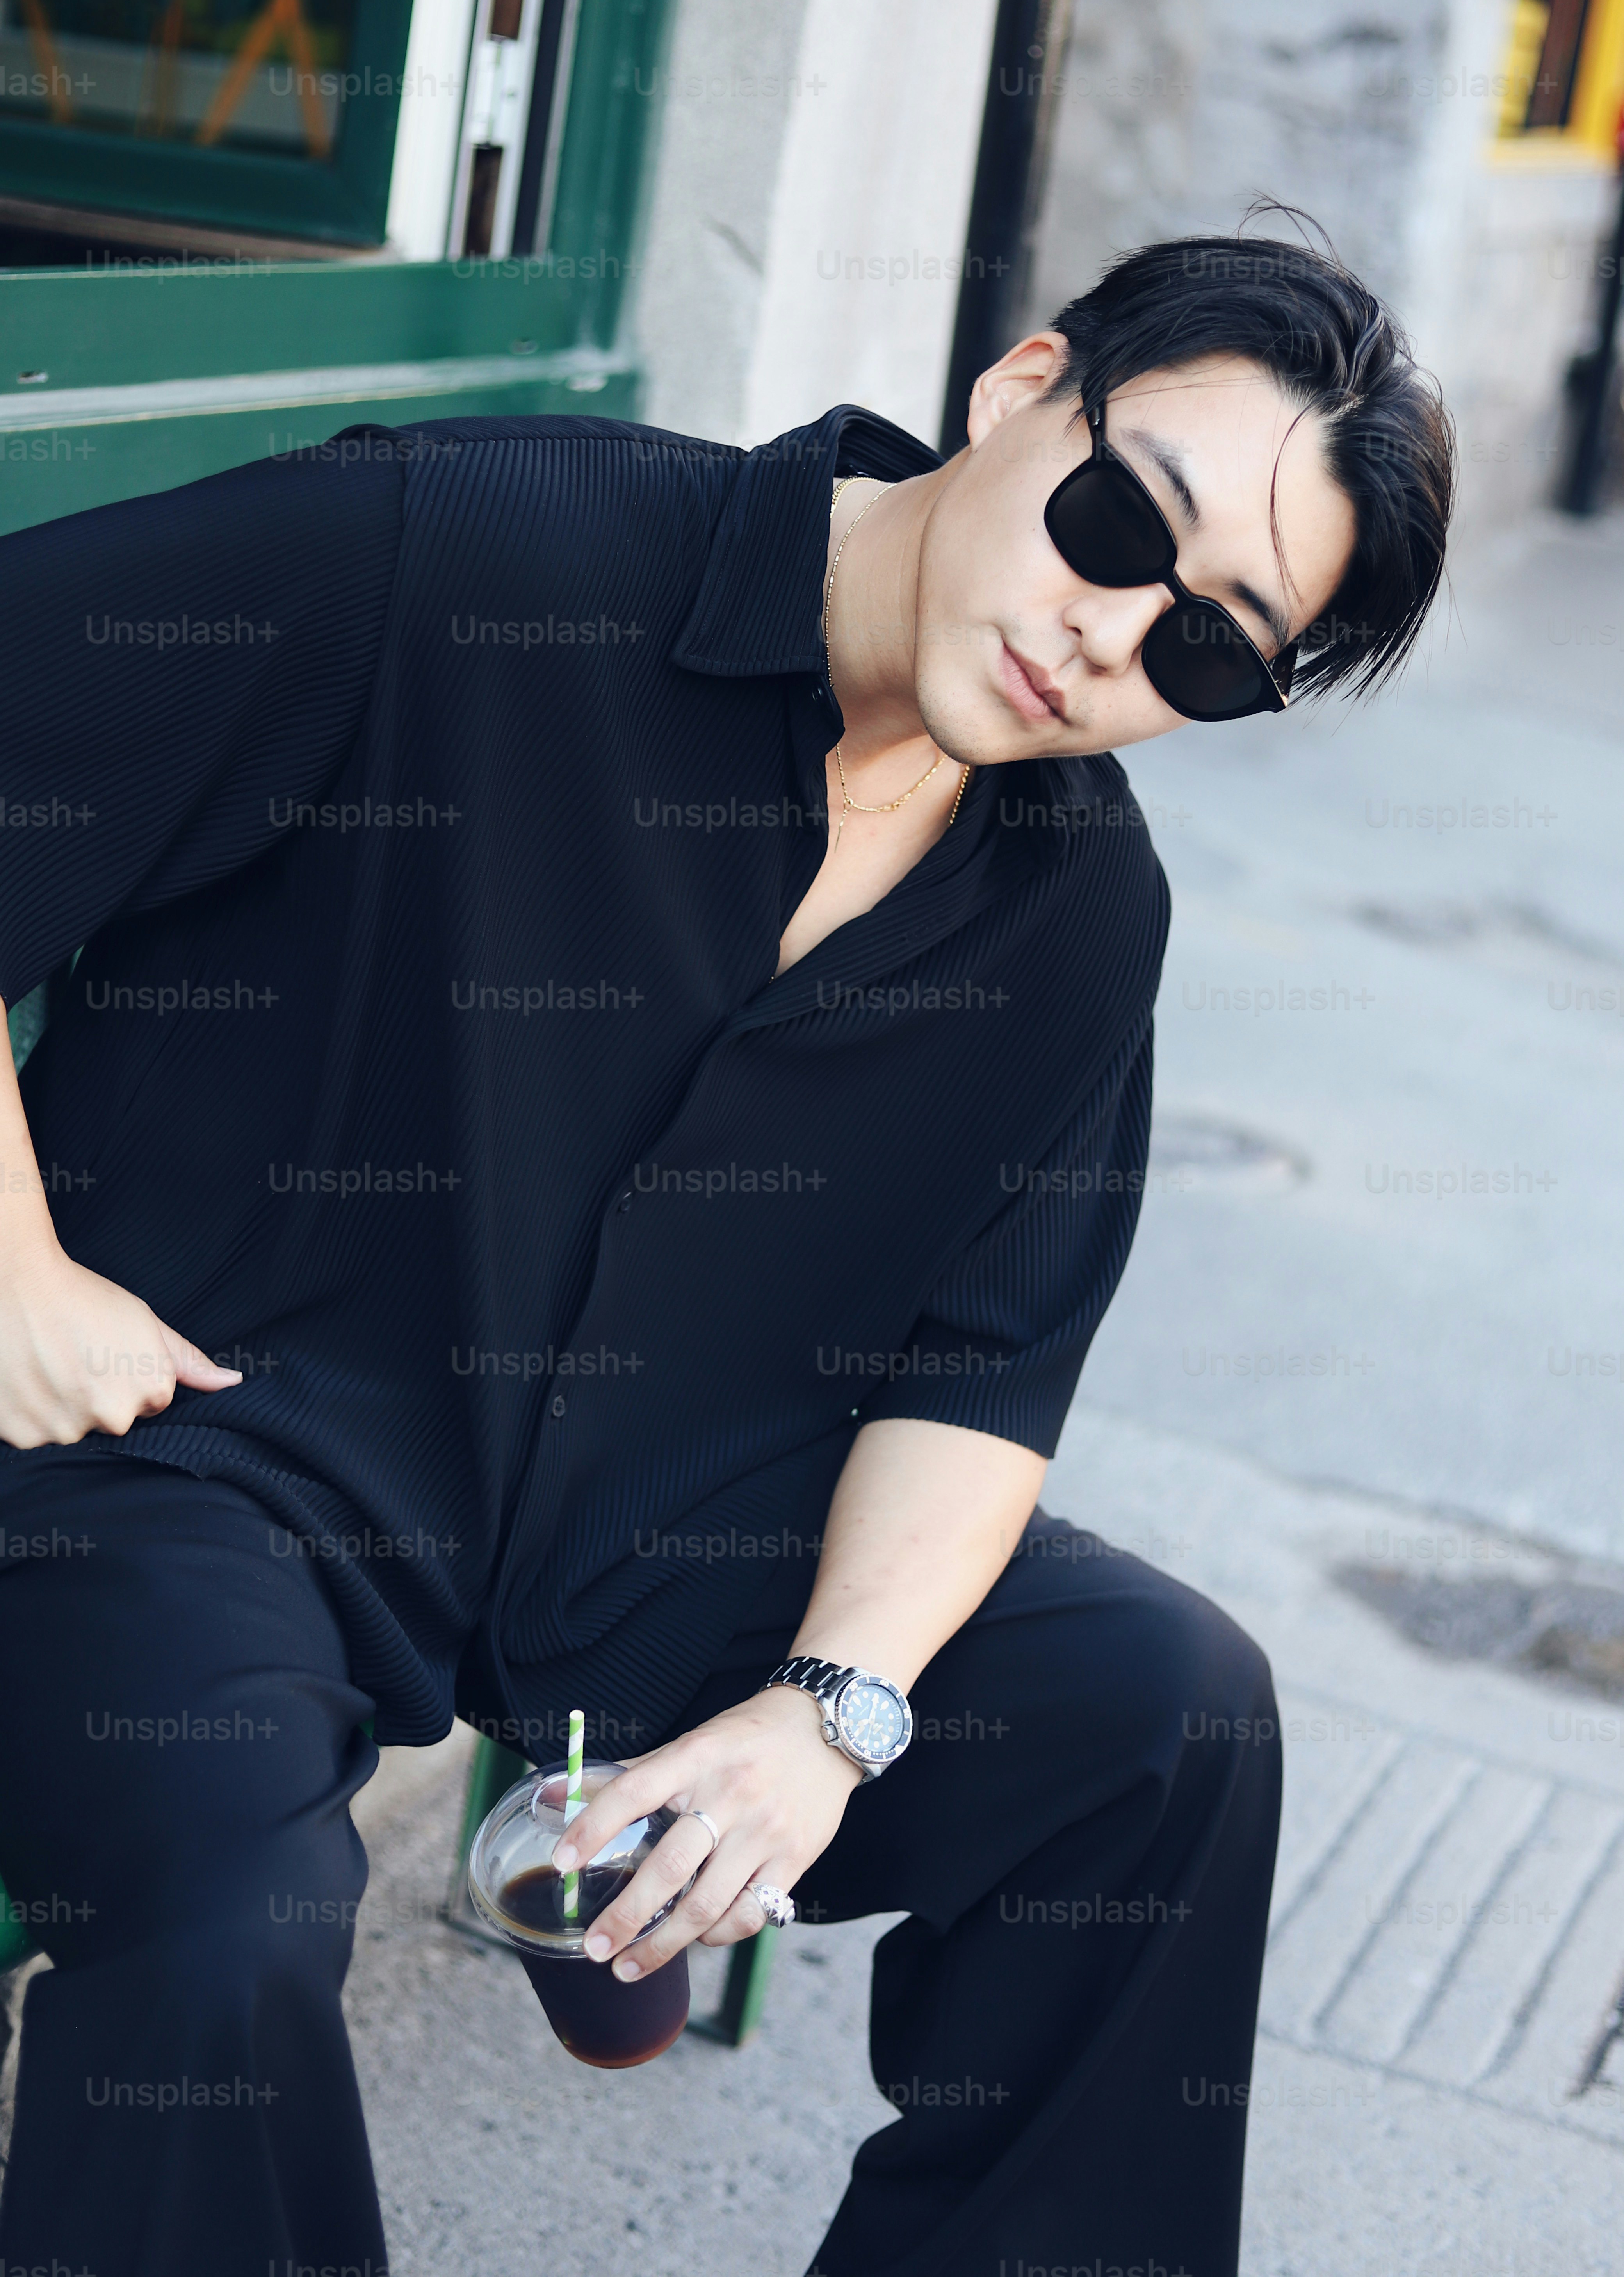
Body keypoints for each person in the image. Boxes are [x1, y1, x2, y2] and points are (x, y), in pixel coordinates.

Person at [0, 226, 1453, 2277]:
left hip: (658, 1543)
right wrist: (11, 1270)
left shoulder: (1075, 921)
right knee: (220, 1932)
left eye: (1211, 649)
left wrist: (828, 1712)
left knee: (1168, 1722)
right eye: (1125, 520)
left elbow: (985, 1367)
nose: (1110, 634)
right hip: (207, 1451)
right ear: (1023, 385)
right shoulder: (463, 556)